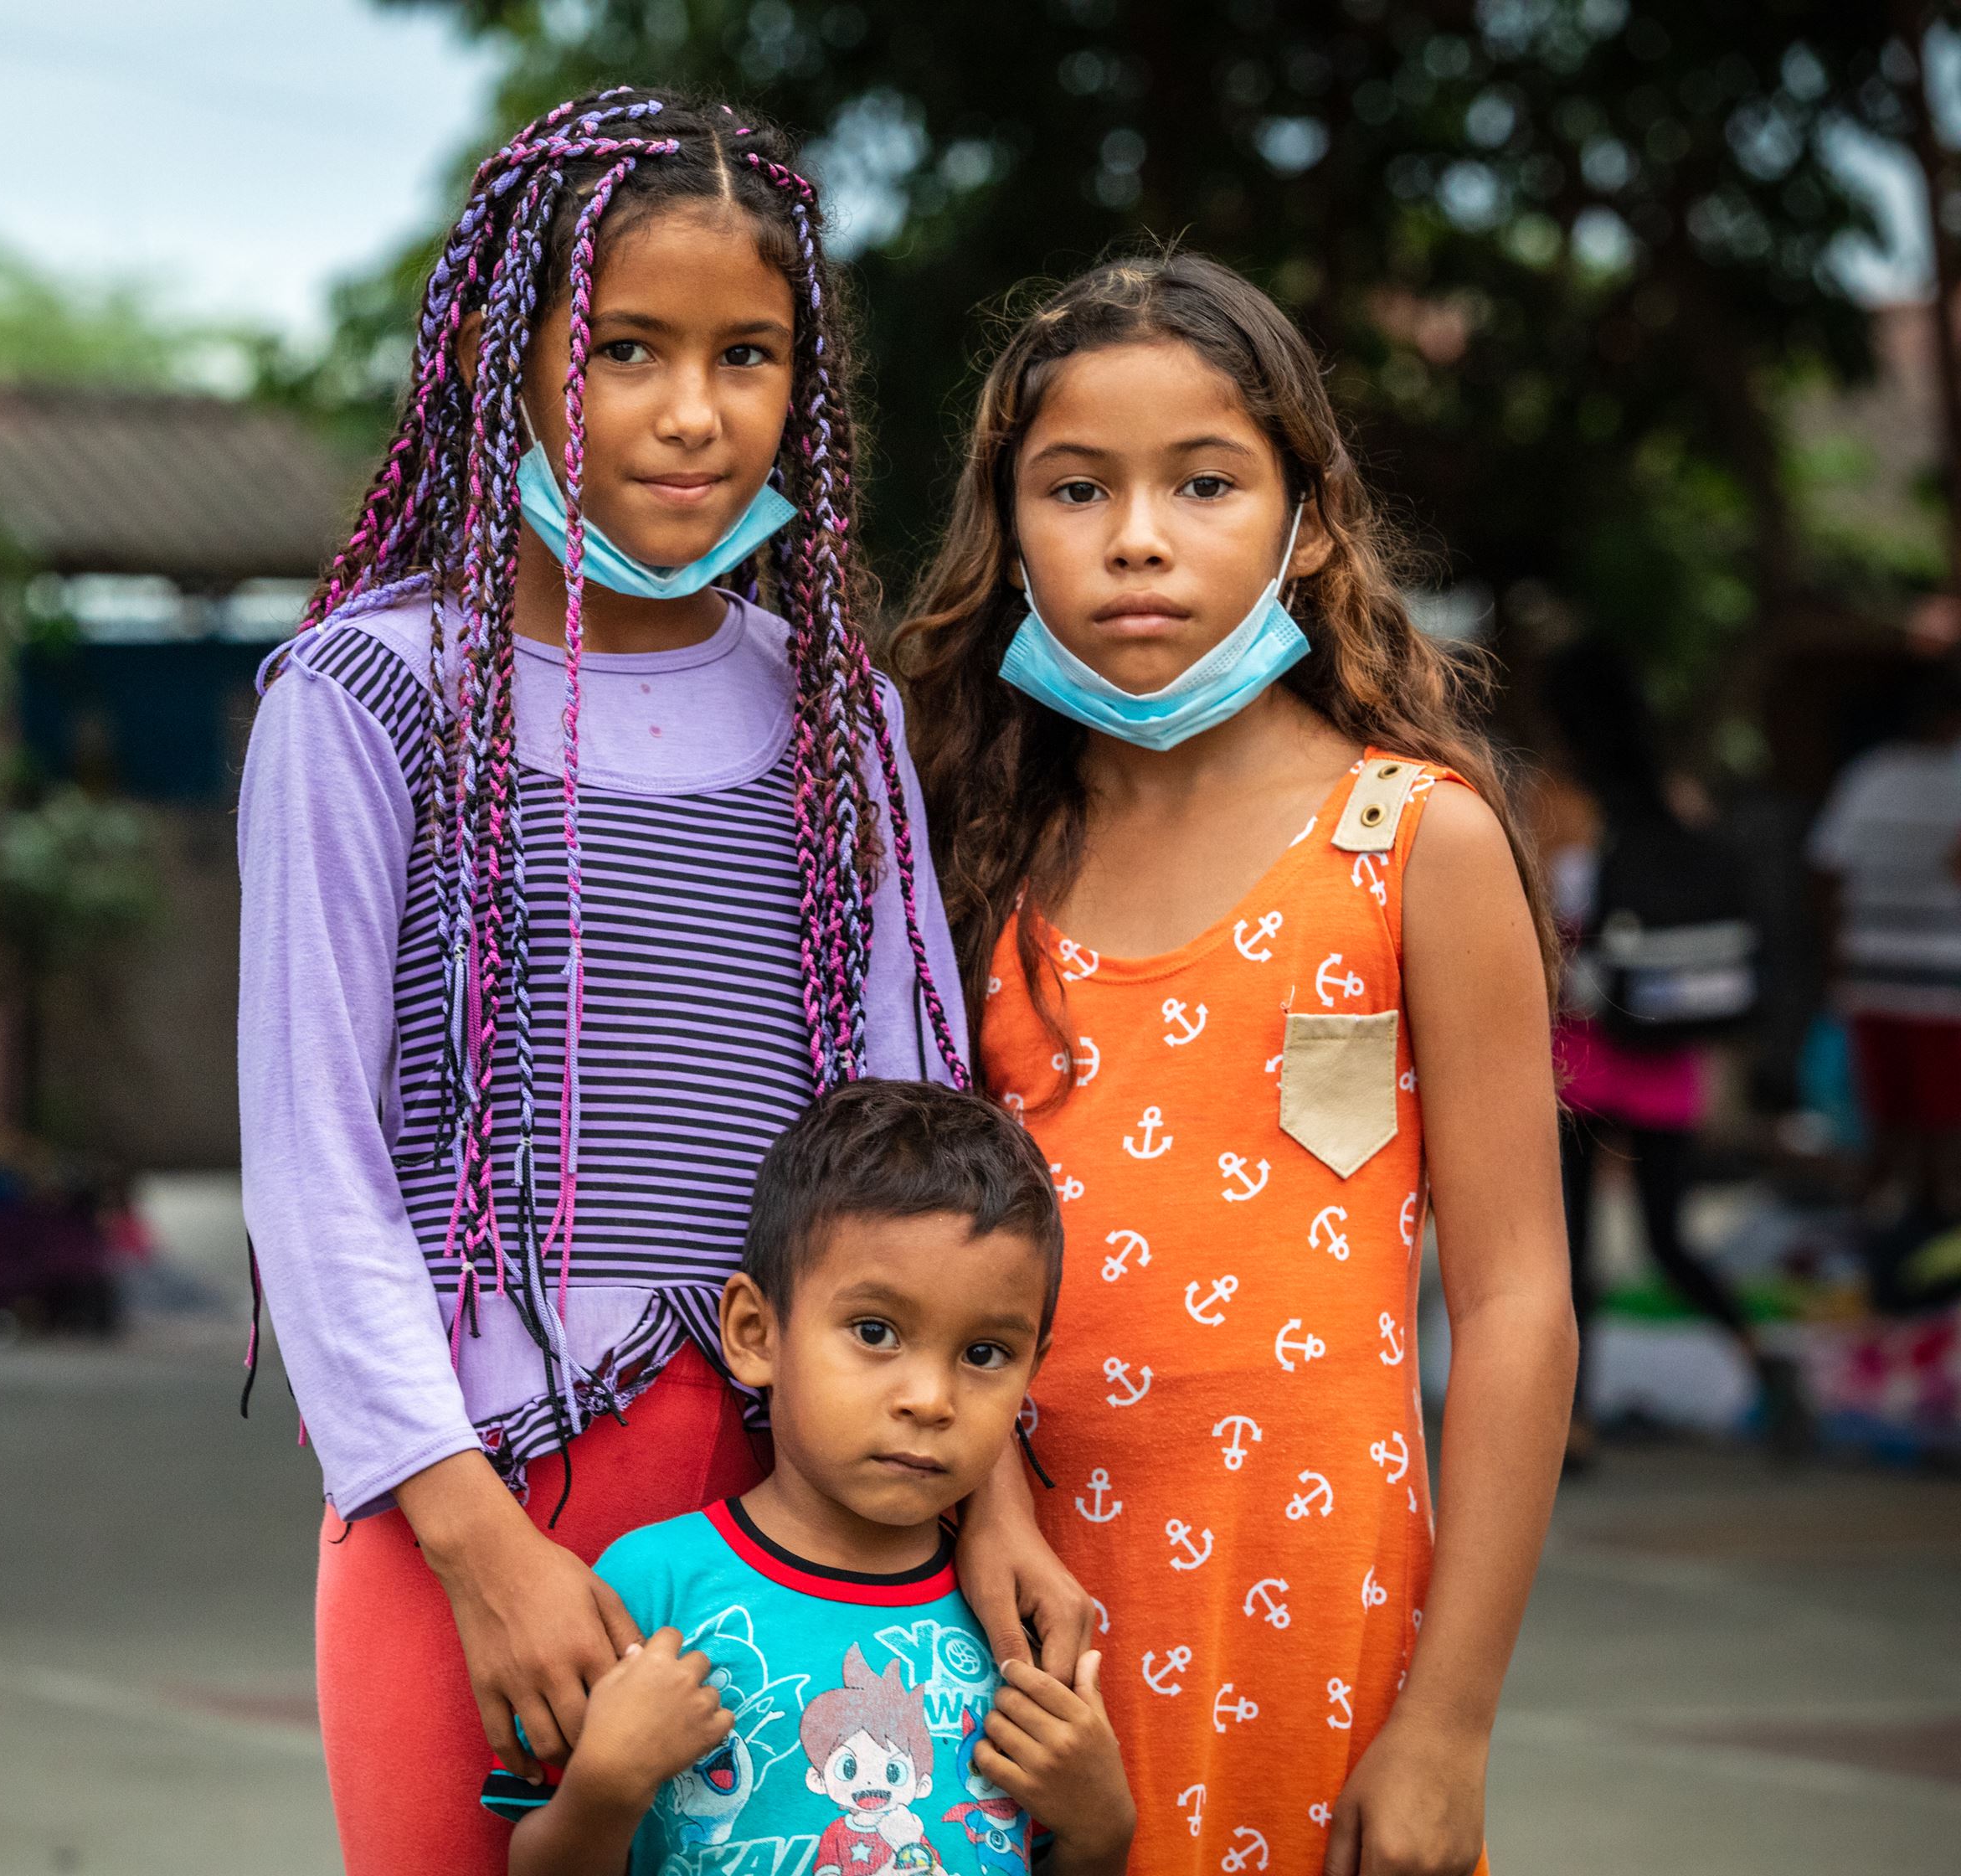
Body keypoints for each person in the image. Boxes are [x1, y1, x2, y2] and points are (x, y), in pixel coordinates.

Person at [236, 90, 985, 1874]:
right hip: (466, 1496)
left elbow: (923, 1169)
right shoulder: (363, 699)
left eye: (748, 355)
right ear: (509, 359)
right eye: (626, 350)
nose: (691, 414)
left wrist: (992, 1506)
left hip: (807, 1495)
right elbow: (313, 1159)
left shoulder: (840, 720)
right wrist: (477, 1543)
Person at [895, 253, 1576, 1875]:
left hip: (1317, 1620)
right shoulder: (972, 855)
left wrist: (1450, 1717)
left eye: (1204, 482)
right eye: (1078, 487)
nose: (1138, 535)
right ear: (1009, 529)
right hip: (1002, 1609)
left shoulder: (1414, 841)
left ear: (1310, 521)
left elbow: (1519, 1301)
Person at [484, 1080, 1134, 1876]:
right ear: (756, 1333)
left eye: (985, 1354)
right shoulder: (647, 1593)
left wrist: (1101, 1831)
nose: (930, 1400)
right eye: (875, 1332)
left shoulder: (1016, 1629)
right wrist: (606, 1787)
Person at [1532, 641, 1803, 1463]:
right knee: (1666, 1235)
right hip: (1663, 1042)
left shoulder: (1555, 803)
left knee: (1568, 1247)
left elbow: (1541, 923)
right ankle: (1765, 1358)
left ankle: (1573, 1424)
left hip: (1580, 1046)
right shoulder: (1674, 799)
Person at [1809, 656, 1961, 1217]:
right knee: (1946, 1129)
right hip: (1945, 983)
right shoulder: (1954, 777)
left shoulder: (1867, 776)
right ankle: (1932, 1252)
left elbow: (1826, 872)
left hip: (1871, 974)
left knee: (1889, 1124)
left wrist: (1837, 955)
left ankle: (1886, 1250)